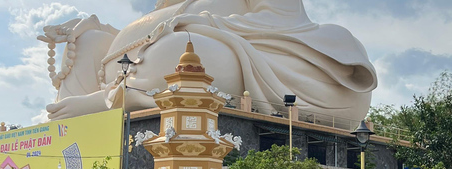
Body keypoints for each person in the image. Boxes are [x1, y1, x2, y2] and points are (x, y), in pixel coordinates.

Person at [42, 0, 377, 121]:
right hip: (143, 63)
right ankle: (112, 101)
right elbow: (131, 44)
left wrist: (205, 22)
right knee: (88, 38)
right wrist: (90, 33)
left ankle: (122, 99)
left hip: (264, 55)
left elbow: (280, 22)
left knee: (183, 47)